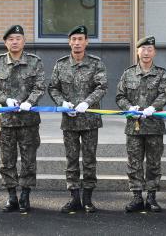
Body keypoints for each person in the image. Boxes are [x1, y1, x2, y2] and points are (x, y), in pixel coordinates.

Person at [48, 25, 107, 213]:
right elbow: (53, 88)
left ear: (87, 42)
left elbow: (101, 86)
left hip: (90, 120)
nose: (77, 43)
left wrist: (87, 103)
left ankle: (88, 199)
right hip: (70, 121)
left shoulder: (96, 63)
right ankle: (74, 198)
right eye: (73, 39)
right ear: (69, 42)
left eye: (80, 39)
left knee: (89, 160)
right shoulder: (61, 64)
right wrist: (62, 103)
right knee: (71, 160)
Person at [0, 25, 46, 213]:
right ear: (6, 42)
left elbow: (40, 86)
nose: (14, 41)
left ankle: (25, 195)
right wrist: (5, 100)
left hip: (29, 120)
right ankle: (11, 196)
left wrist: (30, 101)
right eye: (11, 38)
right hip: (7, 121)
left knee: (29, 159)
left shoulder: (34, 62)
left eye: (18, 38)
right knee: (7, 160)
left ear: (24, 41)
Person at [116, 35, 166, 213]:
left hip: (154, 125)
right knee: (134, 163)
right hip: (134, 127)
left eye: (150, 49)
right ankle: (136, 197)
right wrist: (129, 107)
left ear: (154, 52)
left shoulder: (162, 74)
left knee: (154, 163)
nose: (146, 52)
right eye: (143, 49)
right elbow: (119, 96)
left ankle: (151, 197)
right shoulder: (128, 73)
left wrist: (153, 107)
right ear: (137, 51)